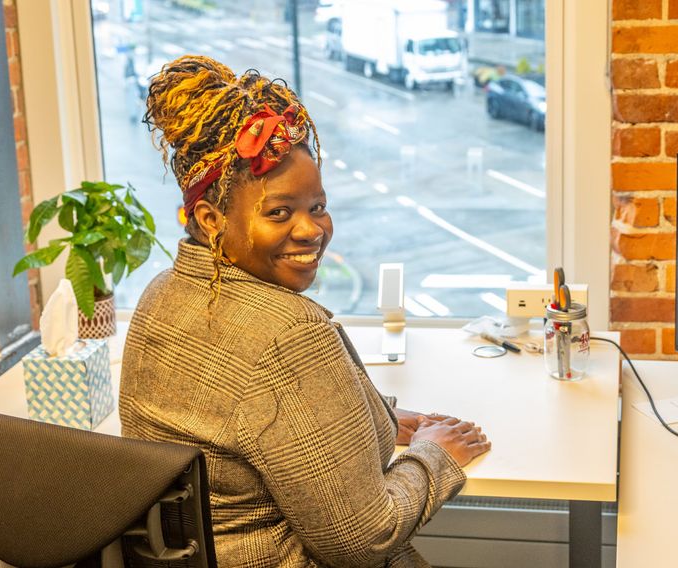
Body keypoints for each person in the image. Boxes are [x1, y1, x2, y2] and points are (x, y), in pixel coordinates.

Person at [119, 55, 491, 567]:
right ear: (209, 218)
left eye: (317, 206)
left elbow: (255, 420)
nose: (311, 229)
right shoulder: (287, 333)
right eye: (279, 213)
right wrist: (436, 454)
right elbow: (365, 539)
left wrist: (377, 417)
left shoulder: (161, 294)